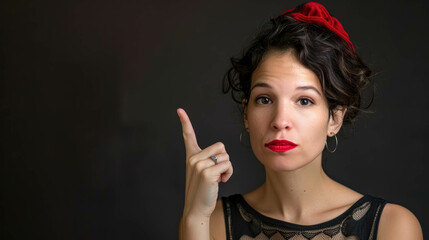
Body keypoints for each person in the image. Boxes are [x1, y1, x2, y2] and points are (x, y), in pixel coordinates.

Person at [177, 2, 423, 240]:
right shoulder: (212, 221)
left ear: (335, 118)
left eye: (304, 100)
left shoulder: (392, 227)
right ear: (246, 114)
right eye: (264, 99)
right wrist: (194, 216)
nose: (280, 121)